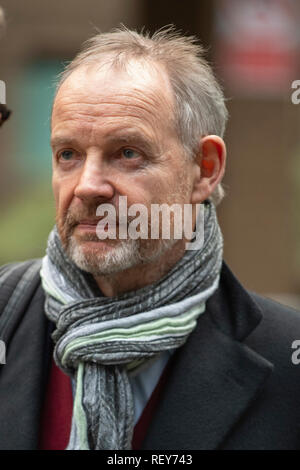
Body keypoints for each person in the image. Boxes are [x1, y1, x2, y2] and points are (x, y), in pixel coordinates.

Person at [1, 25, 300, 451]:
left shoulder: (287, 359)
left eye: (127, 153)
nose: (88, 186)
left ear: (206, 167)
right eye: (68, 154)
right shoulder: (6, 315)